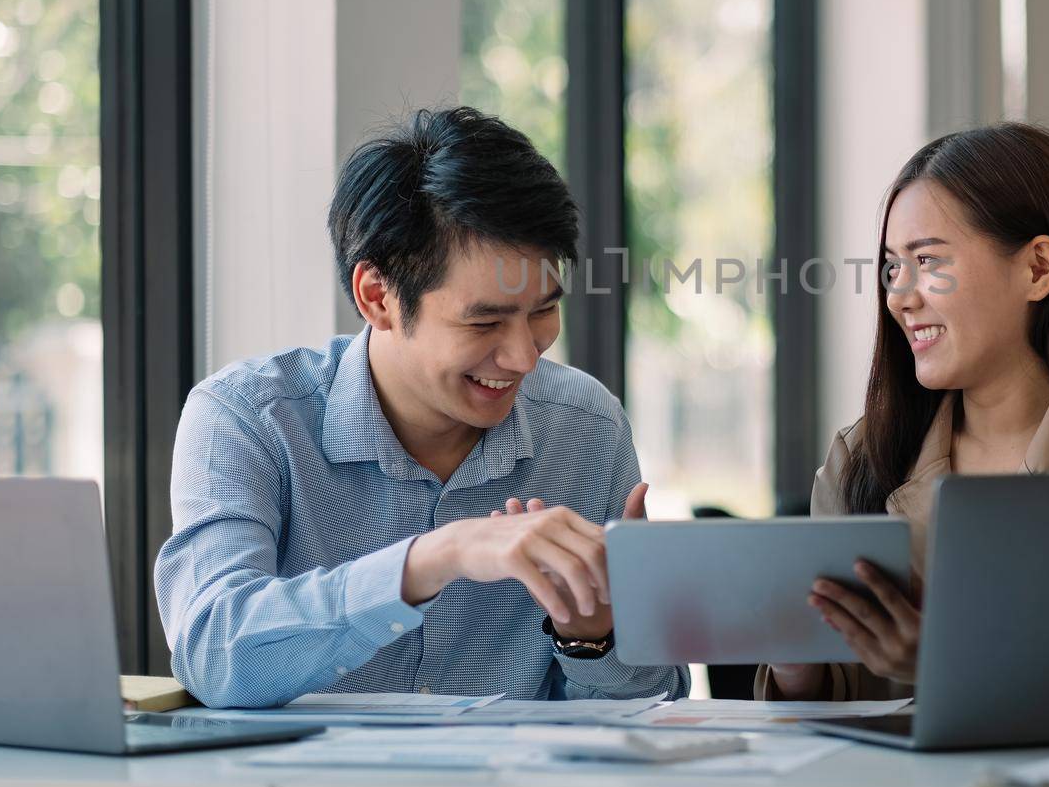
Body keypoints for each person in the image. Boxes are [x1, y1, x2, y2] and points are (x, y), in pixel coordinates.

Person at [155, 107, 688, 707]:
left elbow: (653, 709)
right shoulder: (249, 416)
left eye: (542, 310)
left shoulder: (584, 425)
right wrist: (436, 558)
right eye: (485, 319)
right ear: (377, 297)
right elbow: (215, 652)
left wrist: (596, 637)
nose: (522, 357)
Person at [759, 123, 1049, 702]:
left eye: (929, 262)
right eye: (893, 267)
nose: (899, 296)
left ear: (1038, 268)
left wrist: (944, 658)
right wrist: (796, 662)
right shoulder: (862, 457)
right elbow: (827, 710)